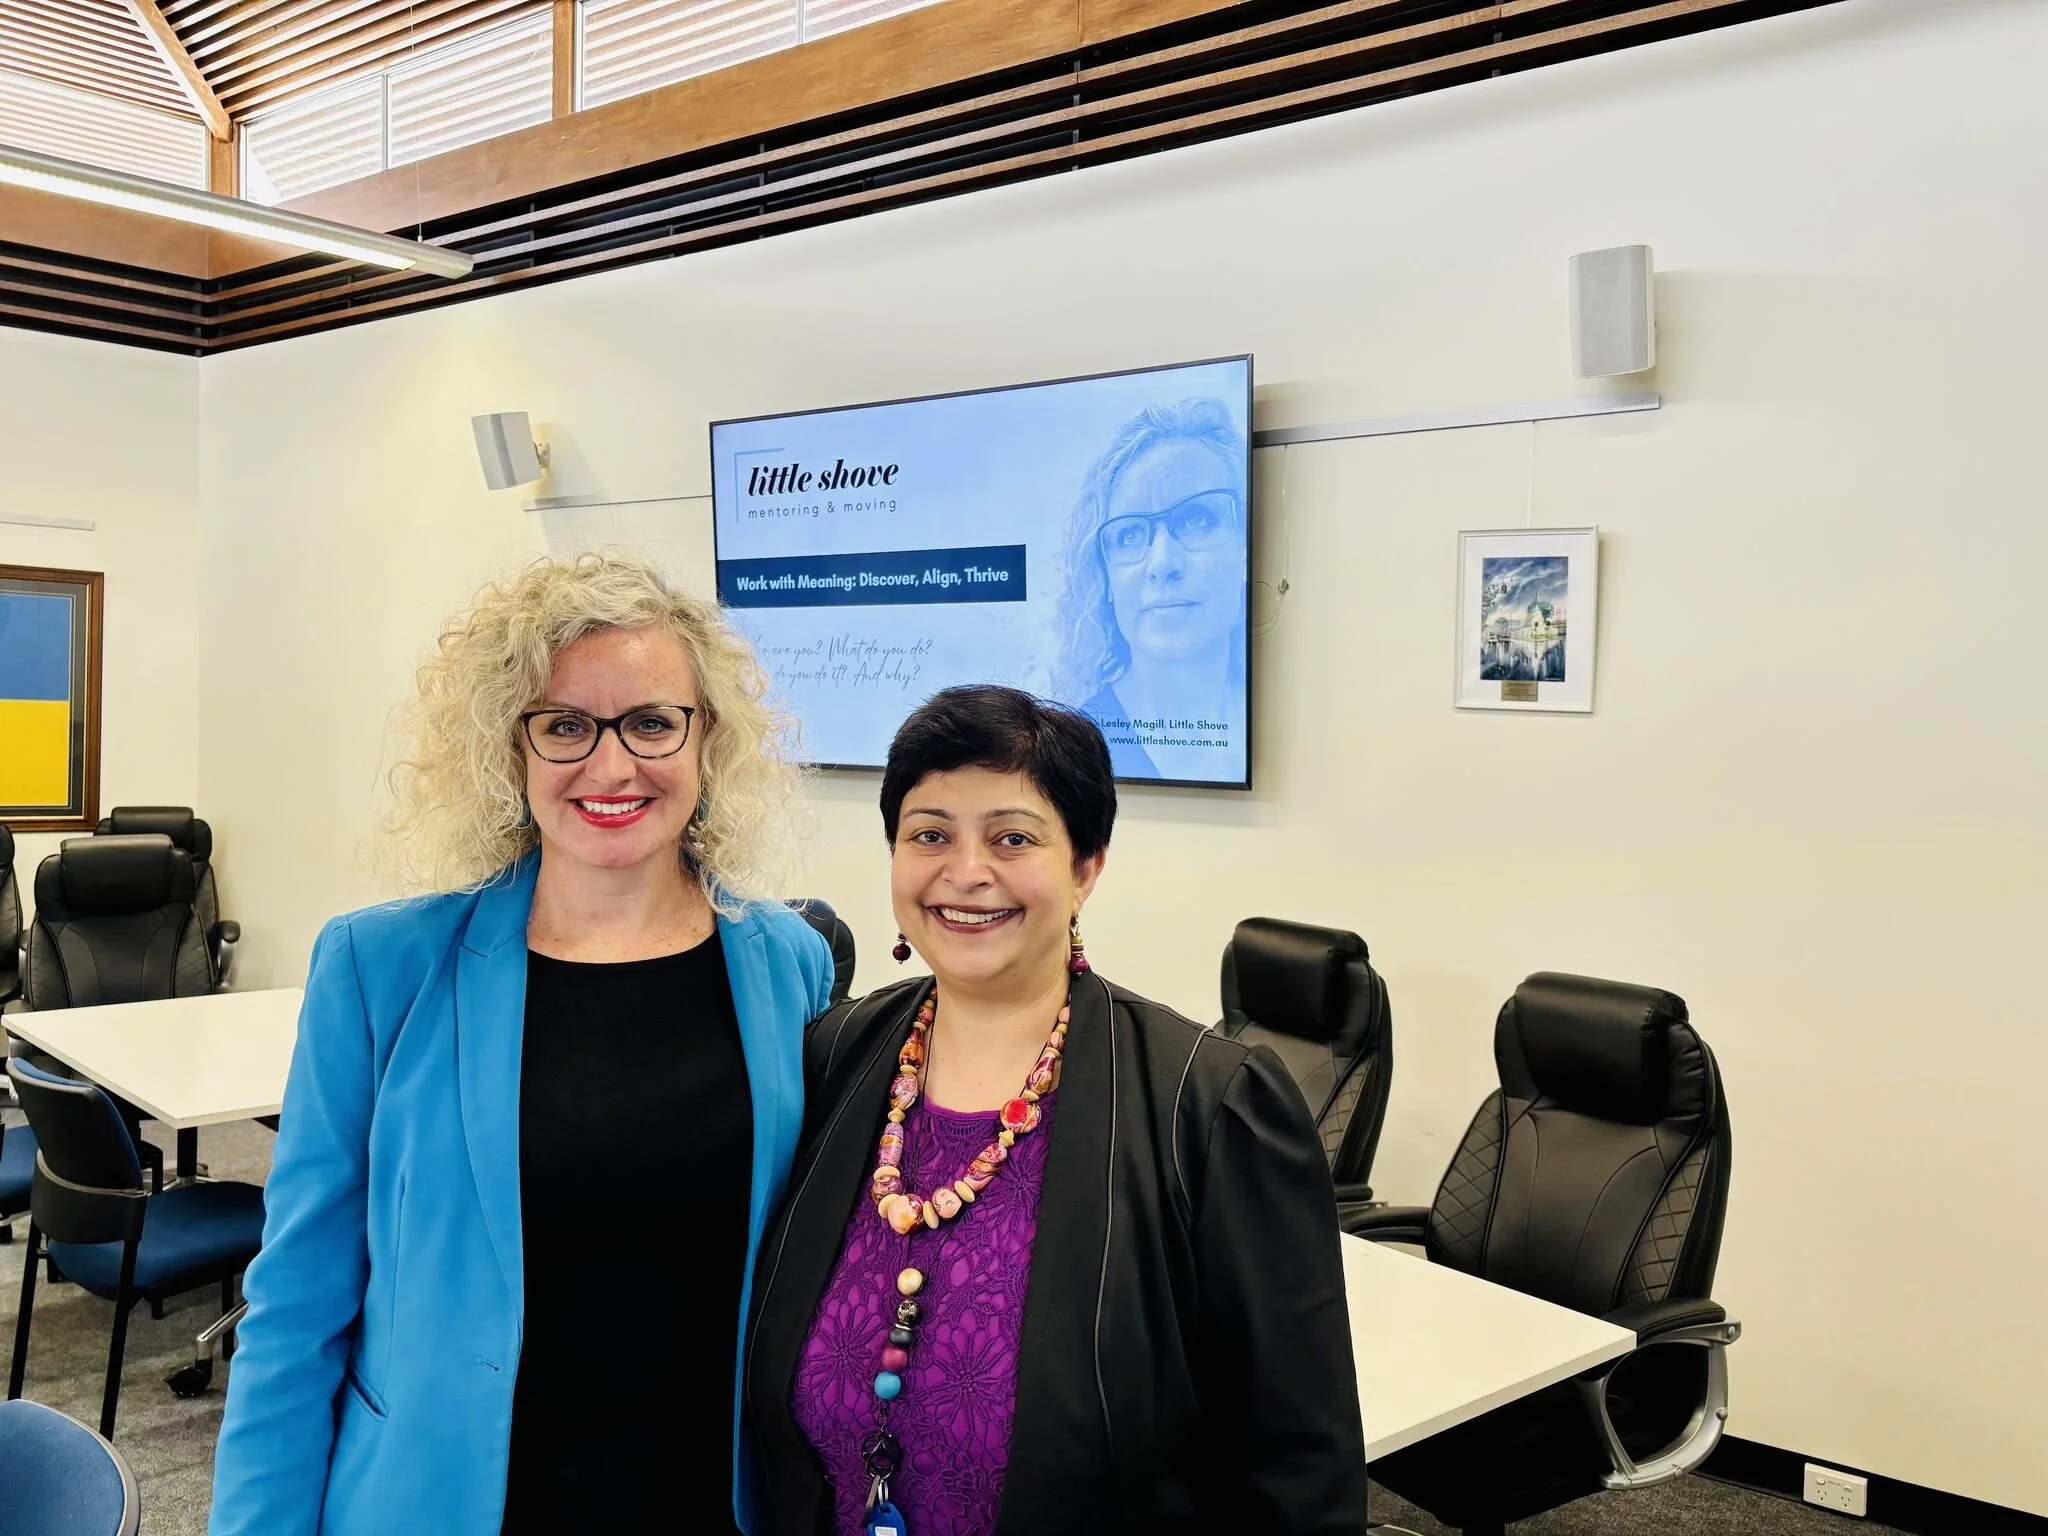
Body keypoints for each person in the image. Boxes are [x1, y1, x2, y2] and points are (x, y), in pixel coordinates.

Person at [210, 553, 835, 1536]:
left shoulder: (787, 963)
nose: (612, 765)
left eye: (651, 721)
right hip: (442, 1501)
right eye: (565, 725)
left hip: (706, 1501)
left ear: (704, 738)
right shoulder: (384, 965)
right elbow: (294, 1305)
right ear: (513, 748)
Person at [745, 685, 1365, 1535]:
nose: (966, 871)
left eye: (1012, 838)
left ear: (1085, 868)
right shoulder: (835, 1055)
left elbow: (1300, 1465)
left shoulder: (1210, 1104)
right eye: (930, 834)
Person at [1052, 399, 1250, 782]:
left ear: (1246, 543)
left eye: (1196, 519)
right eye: (1129, 534)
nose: (1162, 563)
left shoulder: (1297, 717)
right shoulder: (1068, 749)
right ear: (1104, 578)